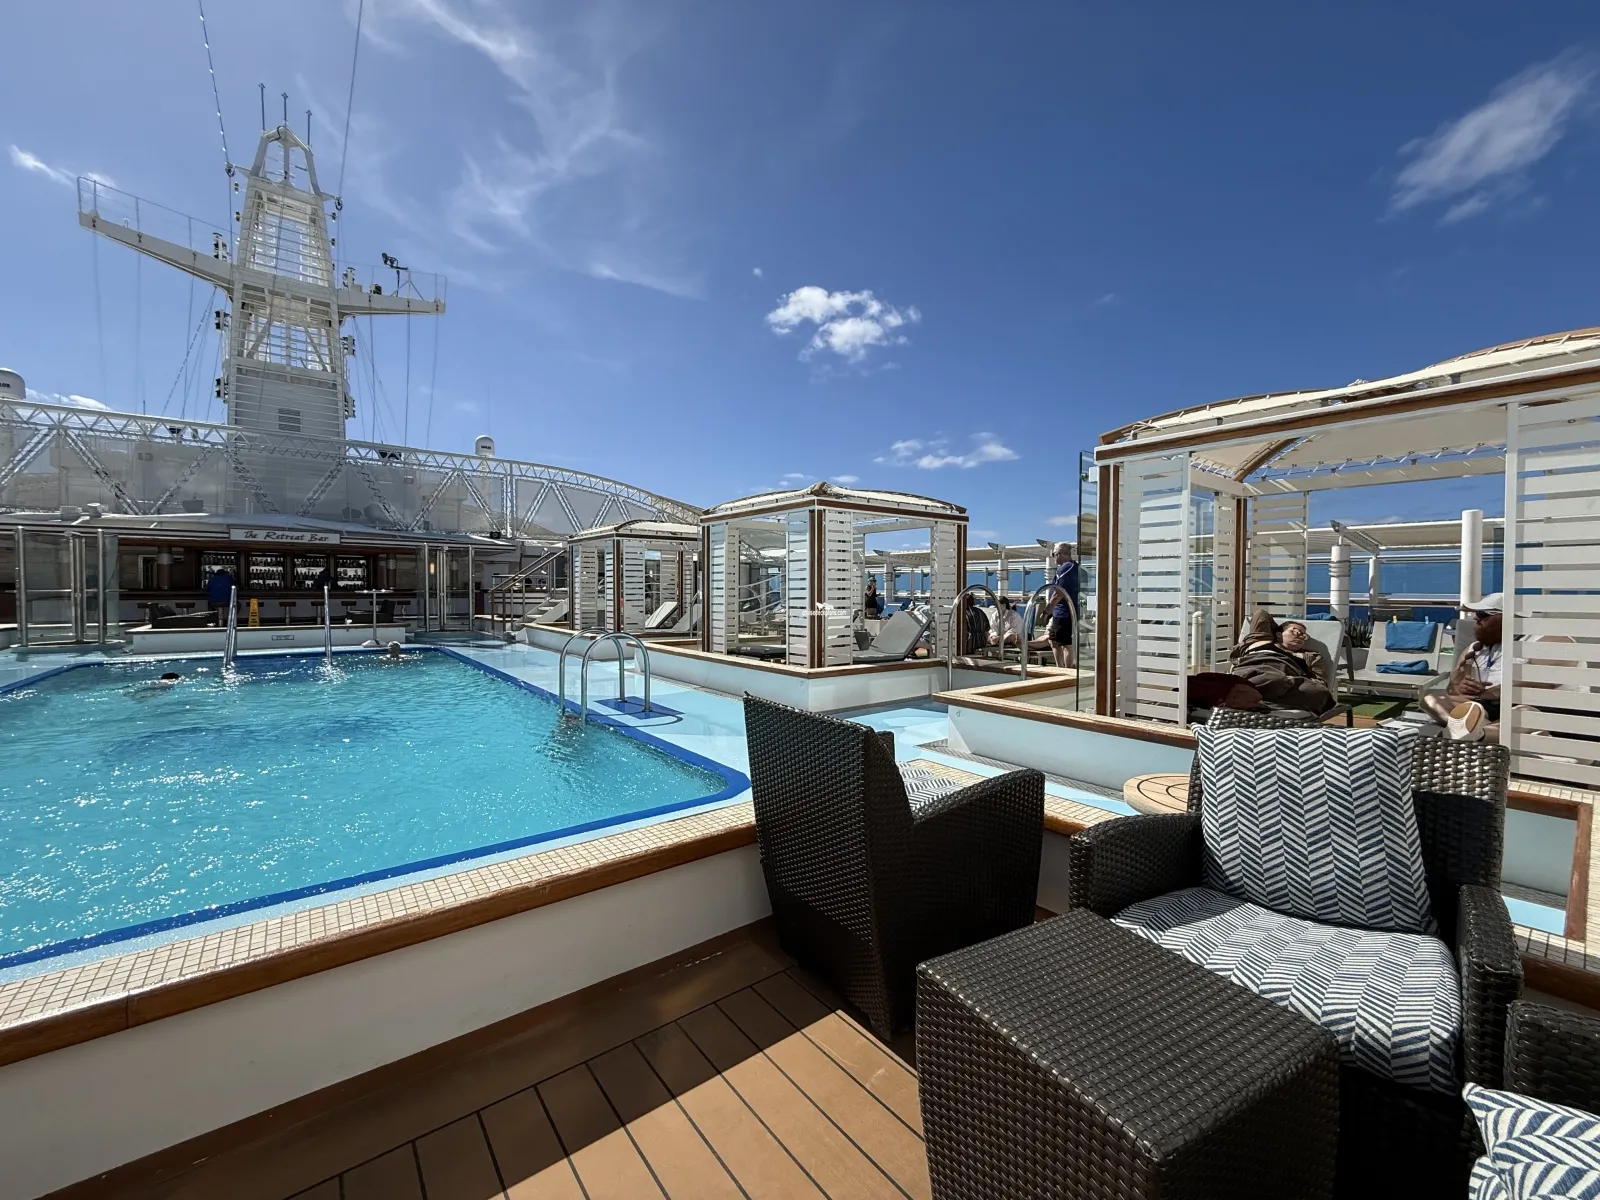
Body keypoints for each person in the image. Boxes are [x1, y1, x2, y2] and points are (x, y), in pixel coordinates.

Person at [1423, 595, 1502, 741]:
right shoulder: (1475, 648)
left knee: (1524, 713)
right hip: (1479, 707)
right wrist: (1460, 687)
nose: (1476, 618)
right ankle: (1478, 733)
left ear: (1504, 617)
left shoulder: (1530, 646)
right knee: (1431, 699)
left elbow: (1537, 686)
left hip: (1512, 706)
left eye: (1482, 614)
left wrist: (1489, 693)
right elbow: (1453, 689)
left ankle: (1474, 733)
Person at [1228, 610, 1336, 715]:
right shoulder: (1260, 640)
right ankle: (1266, 699)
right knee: (1273, 678)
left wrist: (1295, 681)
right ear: (1279, 634)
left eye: (1304, 636)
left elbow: (1321, 682)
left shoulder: (1311, 656)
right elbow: (1261, 613)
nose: (1300, 636)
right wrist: (1276, 633)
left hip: (1285, 681)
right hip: (1253, 669)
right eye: (1295, 631)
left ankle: (1255, 699)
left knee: (1321, 693)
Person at [1043, 542, 1079, 667]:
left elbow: (1059, 592)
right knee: (1053, 641)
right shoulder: (1074, 567)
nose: (1054, 557)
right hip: (1064, 612)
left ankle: (1065, 671)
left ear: (1060, 553)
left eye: (1054, 554)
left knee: (1065, 644)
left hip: (1063, 613)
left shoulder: (1065, 568)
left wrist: (1047, 610)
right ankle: (1062, 668)